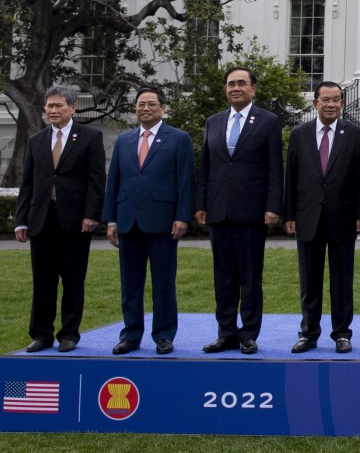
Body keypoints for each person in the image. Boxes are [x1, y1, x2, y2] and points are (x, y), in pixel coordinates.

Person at [196, 67, 283, 355]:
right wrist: (202, 204)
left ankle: (248, 334)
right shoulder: (213, 122)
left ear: (253, 89)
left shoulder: (268, 121)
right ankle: (225, 333)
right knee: (223, 277)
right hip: (219, 211)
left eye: (242, 83)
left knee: (249, 277)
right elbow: (206, 167)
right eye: (231, 84)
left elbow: (273, 166)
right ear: (225, 89)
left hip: (252, 212)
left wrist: (273, 206)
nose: (236, 88)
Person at [102, 87, 195, 355]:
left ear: (163, 108)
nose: (145, 108)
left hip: (163, 223)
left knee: (164, 283)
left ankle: (164, 335)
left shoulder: (178, 139)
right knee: (130, 284)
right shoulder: (124, 141)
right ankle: (130, 335)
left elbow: (186, 181)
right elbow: (114, 182)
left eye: (151, 104)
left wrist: (182, 216)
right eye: (140, 104)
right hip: (128, 221)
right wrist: (111, 220)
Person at [14, 85, 106, 353]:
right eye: (49, 106)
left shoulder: (90, 137)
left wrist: (92, 215)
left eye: (58, 106)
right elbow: (28, 182)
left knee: (73, 279)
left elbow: (96, 180)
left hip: (76, 221)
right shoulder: (36, 140)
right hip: (41, 220)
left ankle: (69, 334)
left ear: (73, 108)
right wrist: (22, 220)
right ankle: (41, 334)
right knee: (42, 280)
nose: (53, 111)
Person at [284, 81, 360, 354]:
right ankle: (308, 333)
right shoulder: (299, 134)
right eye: (325, 99)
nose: (331, 104)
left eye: (336, 100)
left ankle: (342, 333)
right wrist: (289, 214)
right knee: (310, 280)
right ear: (315, 103)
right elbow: (291, 177)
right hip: (308, 217)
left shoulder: (354, 134)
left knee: (342, 280)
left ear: (342, 103)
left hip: (343, 217)